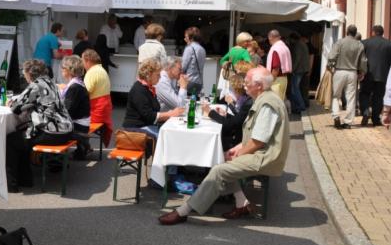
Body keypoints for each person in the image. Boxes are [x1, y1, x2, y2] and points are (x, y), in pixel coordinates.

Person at [158, 66, 289, 225]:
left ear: (259, 86)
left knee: (219, 170)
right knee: (220, 158)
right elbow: (254, 137)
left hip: (265, 157)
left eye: (247, 83)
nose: (244, 85)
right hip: (260, 152)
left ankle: (183, 211)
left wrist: (240, 153)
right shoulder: (263, 99)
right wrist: (235, 149)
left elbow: (258, 141)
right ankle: (242, 203)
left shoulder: (267, 104)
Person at [5, 59, 73, 192]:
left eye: (24, 72)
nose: (23, 75)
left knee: (11, 140)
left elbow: (15, 107)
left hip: (53, 133)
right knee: (22, 137)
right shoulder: (50, 82)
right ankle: (25, 180)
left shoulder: (36, 85)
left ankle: (12, 184)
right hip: (66, 131)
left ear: (29, 73)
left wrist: (10, 103)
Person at [123, 59, 182, 139]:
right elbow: (148, 115)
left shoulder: (148, 88)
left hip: (145, 126)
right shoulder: (139, 89)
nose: (160, 77)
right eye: (158, 75)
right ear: (149, 74)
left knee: (171, 133)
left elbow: (153, 112)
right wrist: (170, 114)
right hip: (136, 129)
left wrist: (169, 114)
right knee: (167, 137)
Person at [328, 24, 367, 129]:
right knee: (351, 98)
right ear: (355, 33)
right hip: (352, 73)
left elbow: (331, 56)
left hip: (339, 71)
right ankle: (348, 122)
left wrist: (330, 65)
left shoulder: (340, 42)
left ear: (347, 32)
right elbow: (363, 61)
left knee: (336, 95)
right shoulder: (359, 45)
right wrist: (362, 72)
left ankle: (336, 115)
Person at [203, 73, 253, 151]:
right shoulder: (245, 100)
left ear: (237, 90)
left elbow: (232, 124)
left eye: (232, 89)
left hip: (238, 140)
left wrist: (210, 112)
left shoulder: (247, 102)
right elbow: (238, 119)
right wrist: (226, 114)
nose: (231, 91)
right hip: (238, 136)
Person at [359, 25, 391, 127]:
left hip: (368, 74)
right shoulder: (389, 44)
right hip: (383, 75)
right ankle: (375, 119)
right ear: (382, 33)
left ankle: (365, 112)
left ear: (373, 32)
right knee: (378, 97)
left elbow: (360, 59)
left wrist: (359, 72)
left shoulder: (364, 43)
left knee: (364, 94)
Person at [60, 55, 92, 159]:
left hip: (79, 125)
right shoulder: (77, 83)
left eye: (63, 68)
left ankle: (54, 159)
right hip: (82, 122)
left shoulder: (74, 87)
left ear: (69, 70)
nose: (61, 69)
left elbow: (67, 111)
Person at [81, 49, 114, 146]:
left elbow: (84, 93)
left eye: (82, 61)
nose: (82, 64)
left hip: (96, 112)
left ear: (88, 60)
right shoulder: (101, 70)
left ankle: (82, 147)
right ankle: (84, 146)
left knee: (75, 121)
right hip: (104, 111)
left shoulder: (92, 72)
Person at [266, 29, 292, 100]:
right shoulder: (284, 47)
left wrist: (270, 81)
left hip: (277, 80)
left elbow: (275, 68)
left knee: (275, 101)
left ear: (270, 38)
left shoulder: (276, 49)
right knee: (280, 101)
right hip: (284, 78)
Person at [289, 32, 310, 115]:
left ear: (292, 39)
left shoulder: (297, 45)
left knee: (295, 88)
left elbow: (297, 58)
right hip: (303, 69)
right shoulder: (303, 44)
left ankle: (301, 106)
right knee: (298, 88)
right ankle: (301, 104)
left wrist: (293, 69)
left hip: (298, 70)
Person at [181, 26, 206, 94]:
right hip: (199, 82)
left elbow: (183, 66)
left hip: (189, 81)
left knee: (185, 99)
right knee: (194, 100)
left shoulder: (189, 48)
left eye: (186, 36)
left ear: (191, 37)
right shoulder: (202, 49)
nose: (185, 39)